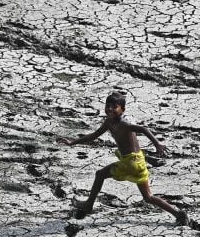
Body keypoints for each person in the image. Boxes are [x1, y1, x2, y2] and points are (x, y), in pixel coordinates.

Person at [59, 91, 190, 226]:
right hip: (139, 162)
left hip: (130, 162)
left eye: (114, 106)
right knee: (148, 197)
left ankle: (88, 205)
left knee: (100, 174)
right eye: (107, 106)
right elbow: (93, 135)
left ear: (122, 109)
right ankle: (178, 214)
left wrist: (157, 144)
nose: (109, 109)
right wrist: (72, 142)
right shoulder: (109, 122)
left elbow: (144, 129)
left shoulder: (123, 124)